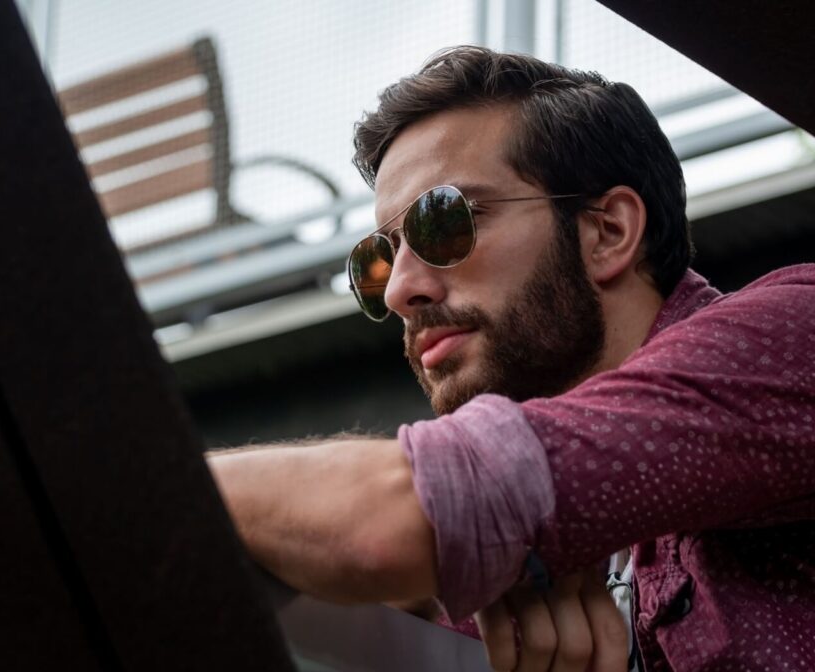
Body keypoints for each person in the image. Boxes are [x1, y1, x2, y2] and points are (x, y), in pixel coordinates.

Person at [207, 47, 815, 672]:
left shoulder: (798, 332)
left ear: (607, 232)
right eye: (378, 260)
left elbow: (387, 523)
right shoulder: (501, 570)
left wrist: (155, 475)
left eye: (443, 222)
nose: (397, 292)